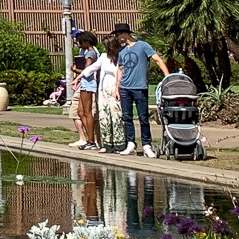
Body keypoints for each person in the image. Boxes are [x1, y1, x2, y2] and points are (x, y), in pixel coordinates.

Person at [112, 23, 169, 158]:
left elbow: (157, 60)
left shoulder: (143, 45)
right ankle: (130, 143)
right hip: (125, 88)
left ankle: (146, 145)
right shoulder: (122, 51)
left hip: (139, 87)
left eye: (118, 34)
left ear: (125, 34)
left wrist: (168, 76)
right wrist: (116, 88)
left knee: (143, 118)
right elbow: (120, 69)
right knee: (127, 117)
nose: (117, 37)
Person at [71, 33, 102, 151]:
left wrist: (75, 70)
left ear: (86, 42)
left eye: (81, 42)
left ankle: (91, 140)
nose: (79, 44)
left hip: (88, 84)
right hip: (84, 84)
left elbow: (87, 70)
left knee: (87, 112)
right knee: (80, 112)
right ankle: (90, 138)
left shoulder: (90, 53)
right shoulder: (88, 52)